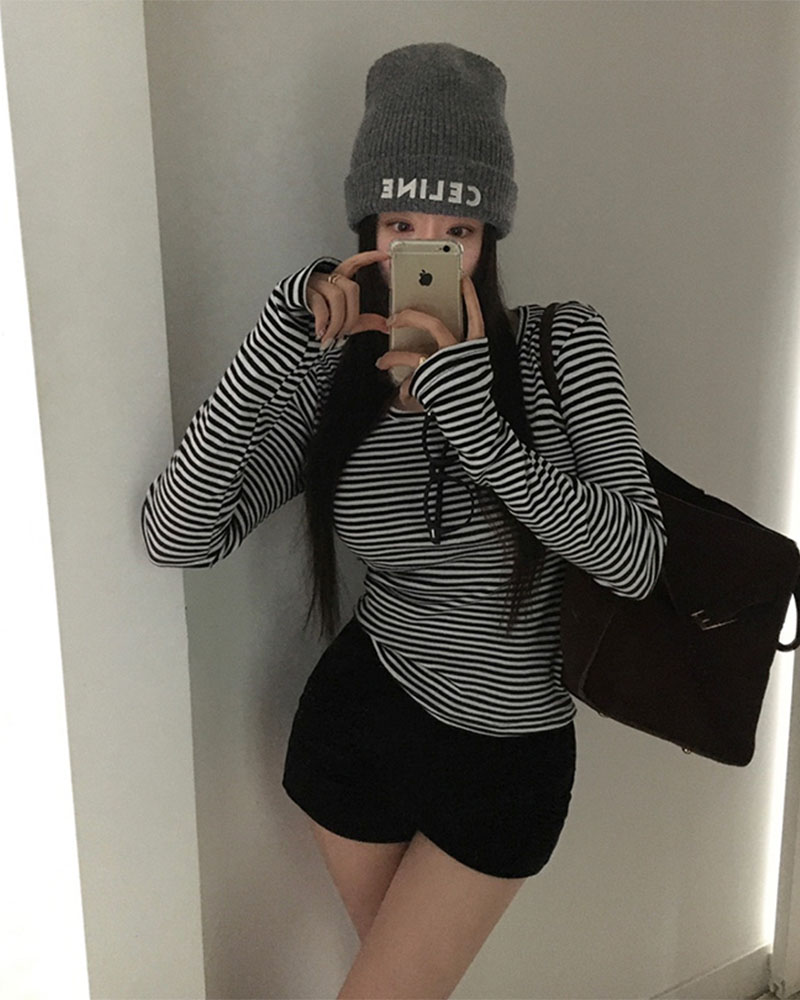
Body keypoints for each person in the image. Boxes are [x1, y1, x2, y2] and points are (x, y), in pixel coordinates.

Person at [141, 42, 666, 1000]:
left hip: (508, 759)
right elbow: (178, 532)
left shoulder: (560, 345)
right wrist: (274, 348)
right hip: (359, 727)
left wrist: (475, 419)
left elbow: (635, 559)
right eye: (400, 224)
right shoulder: (336, 384)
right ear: (367, 229)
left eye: (456, 229)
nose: (426, 252)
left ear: (490, 236)